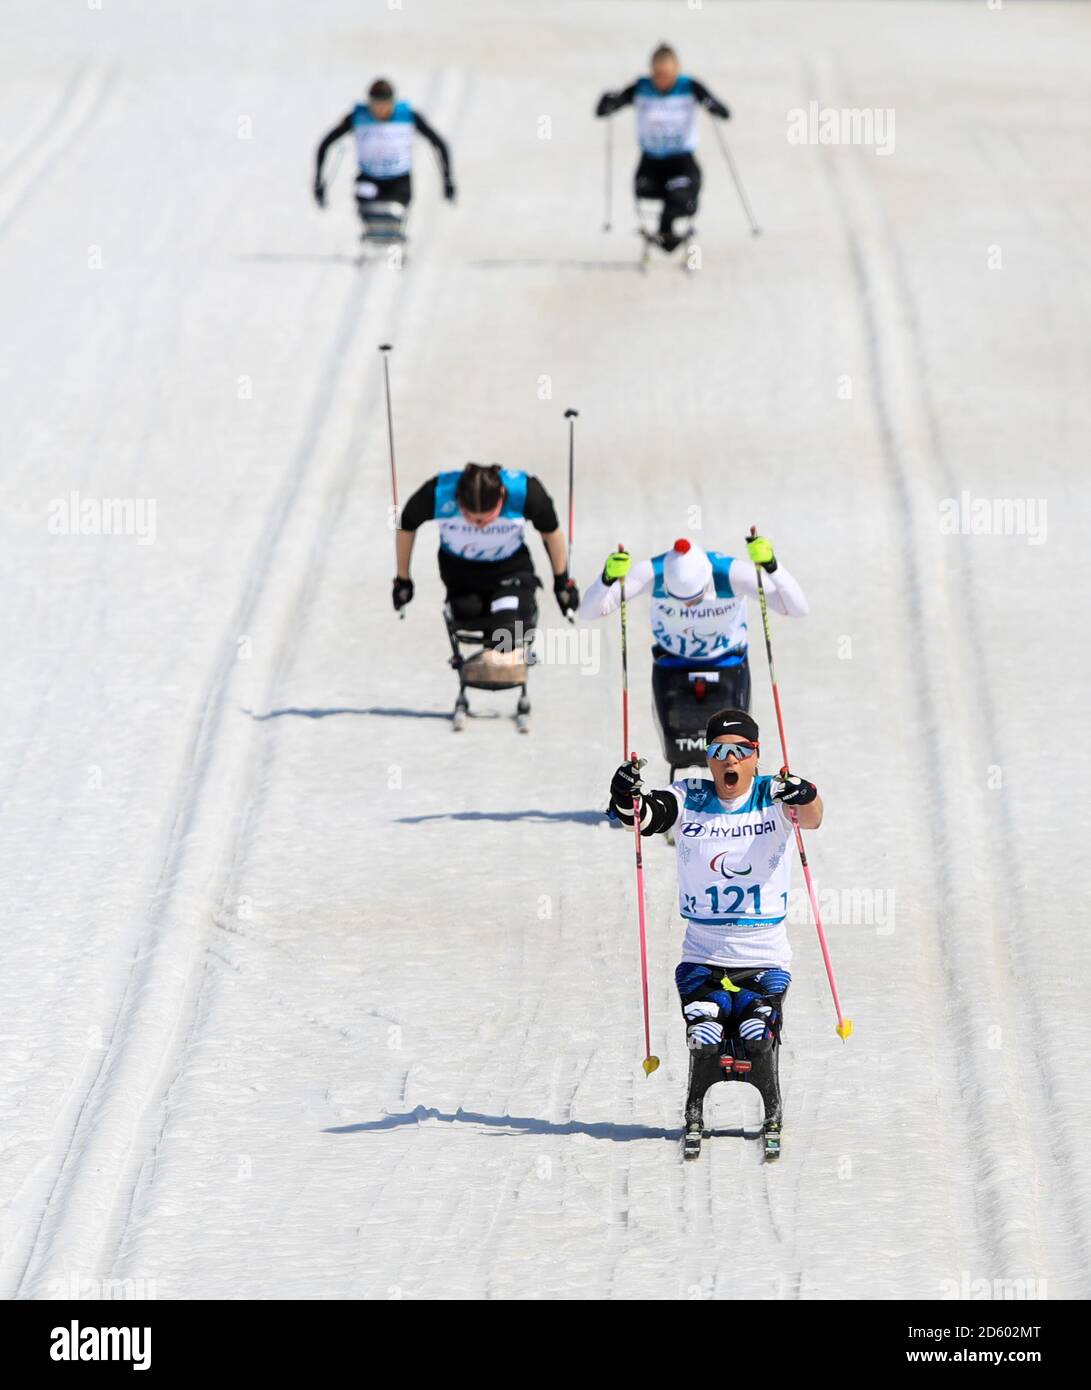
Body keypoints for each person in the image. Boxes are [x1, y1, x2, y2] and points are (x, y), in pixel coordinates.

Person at [607, 708, 823, 1158]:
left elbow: (813, 815)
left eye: (739, 752)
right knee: (705, 1028)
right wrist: (625, 797)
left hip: (764, 958)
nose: (729, 761)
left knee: (756, 1032)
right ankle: (696, 1101)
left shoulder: (772, 795)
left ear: (755, 756)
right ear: (707, 757)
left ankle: (769, 1100)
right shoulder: (690, 796)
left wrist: (806, 792)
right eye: (719, 751)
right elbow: (645, 816)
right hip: (703, 955)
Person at [579, 534, 807, 772]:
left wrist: (772, 567)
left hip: (727, 662)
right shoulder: (651, 572)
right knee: (678, 750)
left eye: (696, 598)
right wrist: (607, 579)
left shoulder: (731, 574)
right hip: (673, 664)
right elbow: (589, 612)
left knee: (734, 748)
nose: (689, 606)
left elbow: (796, 608)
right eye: (679, 599)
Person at [395, 463, 579, 662]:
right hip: (461, 574)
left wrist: (562, 582)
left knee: (508, 628)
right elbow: (406, 526)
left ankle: (503, 657)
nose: (479, 525)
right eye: (471, 518)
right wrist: (403, 579)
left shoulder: (525, 492)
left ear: (501, 497)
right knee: (467, 615)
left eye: (486, 518)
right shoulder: (438, 492)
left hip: (510, 571)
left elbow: (551, 532)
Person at [595, 43, 729, 250]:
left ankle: (666, 234)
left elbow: (724, 111)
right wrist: (607, 102)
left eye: (667, 74)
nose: (662, 79)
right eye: (658, 74)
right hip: (651, 163)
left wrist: (714, 107)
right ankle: (666, 235)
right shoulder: (641, 88)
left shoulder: (690, 87)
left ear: (677, 69)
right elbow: (605, 111)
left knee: (683, 198)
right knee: (646, 191)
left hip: (682, 161)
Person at [313, 78, 454, 227]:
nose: (380, 109)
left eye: (385, 104)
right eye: (376, 104)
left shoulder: (408, 116)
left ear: (392, 102)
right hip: (368, 179)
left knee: (393, 218)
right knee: (370, 216)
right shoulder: (357, 117)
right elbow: (326, 144)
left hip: (399, 181)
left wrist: (447, 178)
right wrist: (319, 180)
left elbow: (438, 144)